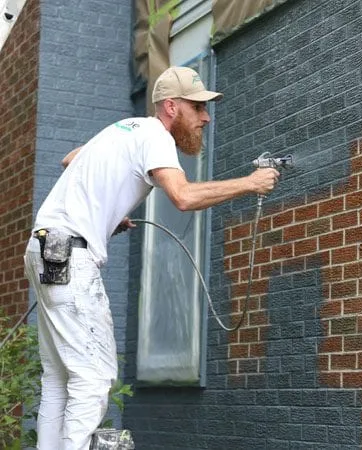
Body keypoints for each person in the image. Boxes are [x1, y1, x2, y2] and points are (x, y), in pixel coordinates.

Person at [24, 66, 280, 450]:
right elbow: (184, 197)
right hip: (70, 259)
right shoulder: (157, 136)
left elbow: (71, 158)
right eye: (198, 108)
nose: (206, 118)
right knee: (93, 377)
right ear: (172, 107)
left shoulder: (126, 128)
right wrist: (251, 183)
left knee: (59, 378)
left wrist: (109, 209)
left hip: (45, 249)